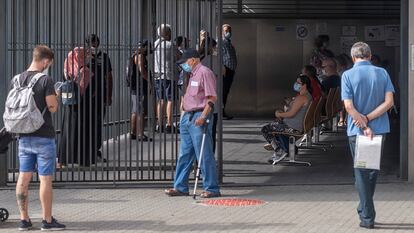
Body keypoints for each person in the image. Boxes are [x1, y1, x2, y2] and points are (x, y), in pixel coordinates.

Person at [342, 42, 394, 229]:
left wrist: (362, 122)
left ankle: (367, 216)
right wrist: (370, 119)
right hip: (379, 129)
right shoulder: (382, 73)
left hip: (357, 132)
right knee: (370, 172)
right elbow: (389, 102)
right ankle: (365, 209)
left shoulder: (347, 75)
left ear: (353, 57)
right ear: (370, 56)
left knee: (361, 173)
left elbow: (348, 106)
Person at [14, 45, 66, 231]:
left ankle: (24, 220)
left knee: (23, 177)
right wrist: (57, 96)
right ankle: (47, 220)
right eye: (49, 63)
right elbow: (52, 107)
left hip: (23, 135)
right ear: (45, 61)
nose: (49, 66)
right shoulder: (46, 80)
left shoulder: (17, 79)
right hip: (43, 136)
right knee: (45, 179)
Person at [165, 49, 221, 198]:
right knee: (185, 154)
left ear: (193, 60)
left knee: (204, 154)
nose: (184, 65)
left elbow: (211, 98)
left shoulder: (205, 73)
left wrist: (203, 116)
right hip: (188, 117)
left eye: (185, 61)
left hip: (199, 116)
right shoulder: (191, 75)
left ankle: (211, 188)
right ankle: (180, 186)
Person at [261, 75, 313, 165]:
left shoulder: (302, 98)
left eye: (298, 83)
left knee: (266, 129)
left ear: (304, 85)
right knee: (276, 124)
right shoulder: (308, 96)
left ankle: (279, 150)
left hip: (293, 128)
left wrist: (279, 114)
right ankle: (285, 148)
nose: (296, 84)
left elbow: (291, 113)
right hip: (297, 125)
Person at [86, 34, 112, 162]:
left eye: (95, 41)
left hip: (96, 95)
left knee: (95, 124)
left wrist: (109, 95)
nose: (94, 44)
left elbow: (109, 77)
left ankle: (94, 150)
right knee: (91, 124)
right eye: (92, 42)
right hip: (89, 96)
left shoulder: (103, 56)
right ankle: (90, 150)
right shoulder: (85, 56)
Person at [154, 24, 179, 133]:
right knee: (170, 100)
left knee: (161, 100)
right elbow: (179, 57)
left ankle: (160, 125)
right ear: (168, 33)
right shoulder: (170, 45)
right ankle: (169, 124)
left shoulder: (155, 44)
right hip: (169, 76)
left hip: (158, 76)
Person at [130, 40, 151, 141]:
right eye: (147, 47)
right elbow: (142, 71)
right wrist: (150, 81)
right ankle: (140, 134)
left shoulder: (134, 54)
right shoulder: (140, 56)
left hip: (135, 87)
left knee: (135, 110)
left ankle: (133, 133)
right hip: (140, 86)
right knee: (141, 111)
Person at [222, 24, 237, 120]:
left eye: (229, 31)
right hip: (225, 70)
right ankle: (221, 112)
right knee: (223, 91)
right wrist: (223, 68)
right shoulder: (221, 43)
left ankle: (223, 111)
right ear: (221, 32)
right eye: (226, 30)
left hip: (230, 70)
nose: (228, 33)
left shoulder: (229, 43)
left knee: (226, 91)